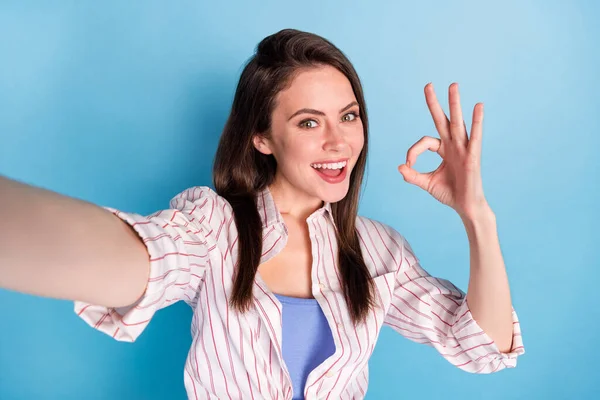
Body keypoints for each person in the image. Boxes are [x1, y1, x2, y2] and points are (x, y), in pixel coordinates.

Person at [0, 28, 524, 399]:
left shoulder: (377, 250)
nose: (340, 141)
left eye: (348, 116)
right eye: (308, 122)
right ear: (262, 138)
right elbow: (139, 257)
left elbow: (480, 345)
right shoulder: (212, 226)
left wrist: (477, 215)